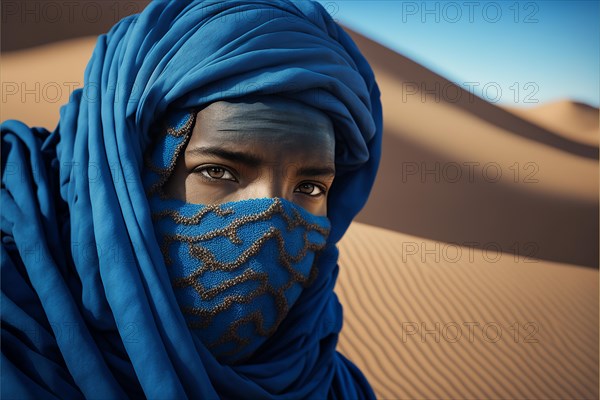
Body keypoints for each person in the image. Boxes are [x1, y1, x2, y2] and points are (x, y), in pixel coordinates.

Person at [1, 1, 382, 398]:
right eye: (217, 171)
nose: (271, 220)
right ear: (129, 171)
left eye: (309, 188)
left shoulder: (330, 383)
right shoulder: (18, 348)